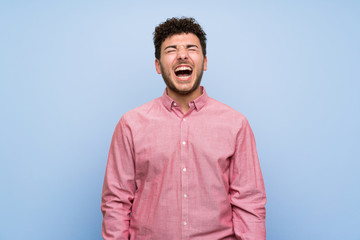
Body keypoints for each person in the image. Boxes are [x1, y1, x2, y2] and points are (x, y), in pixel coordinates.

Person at [101, 17, 266, 240]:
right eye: (171, 49)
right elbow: (116, 203)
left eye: (191, 48)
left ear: (205, 62)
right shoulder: (130, 124)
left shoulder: (236, 124)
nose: (182, 55)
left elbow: (250, 203)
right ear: (158, 65)